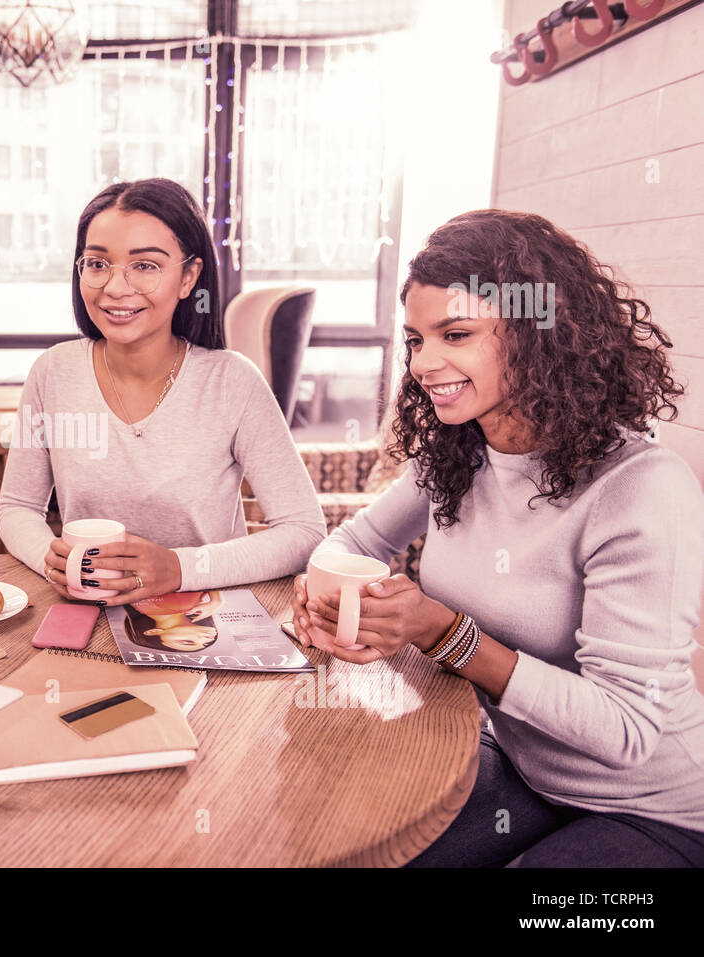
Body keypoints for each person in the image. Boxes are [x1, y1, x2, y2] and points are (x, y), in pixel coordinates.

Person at [290, 209, 704, 866]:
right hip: (523, 767)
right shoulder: (460, 454)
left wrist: (442, 631)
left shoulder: (643, 488)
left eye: (455, 333)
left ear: (539, 334)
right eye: (416, 339)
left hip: (657, 810)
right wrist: (326, 592)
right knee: (348, 842)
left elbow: (626, 730)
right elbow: (352, 541)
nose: (426, 363)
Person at [0, 178, 325, 604]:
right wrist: (49, 558)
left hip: (210, 622)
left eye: (145, 266)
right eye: (97, 264)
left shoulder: (232, 383)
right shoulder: (52, 372)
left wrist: (178, 568)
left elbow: (303, 531)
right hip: (86, 611)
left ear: (188, 277)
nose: (115, 287)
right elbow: (17, 507)